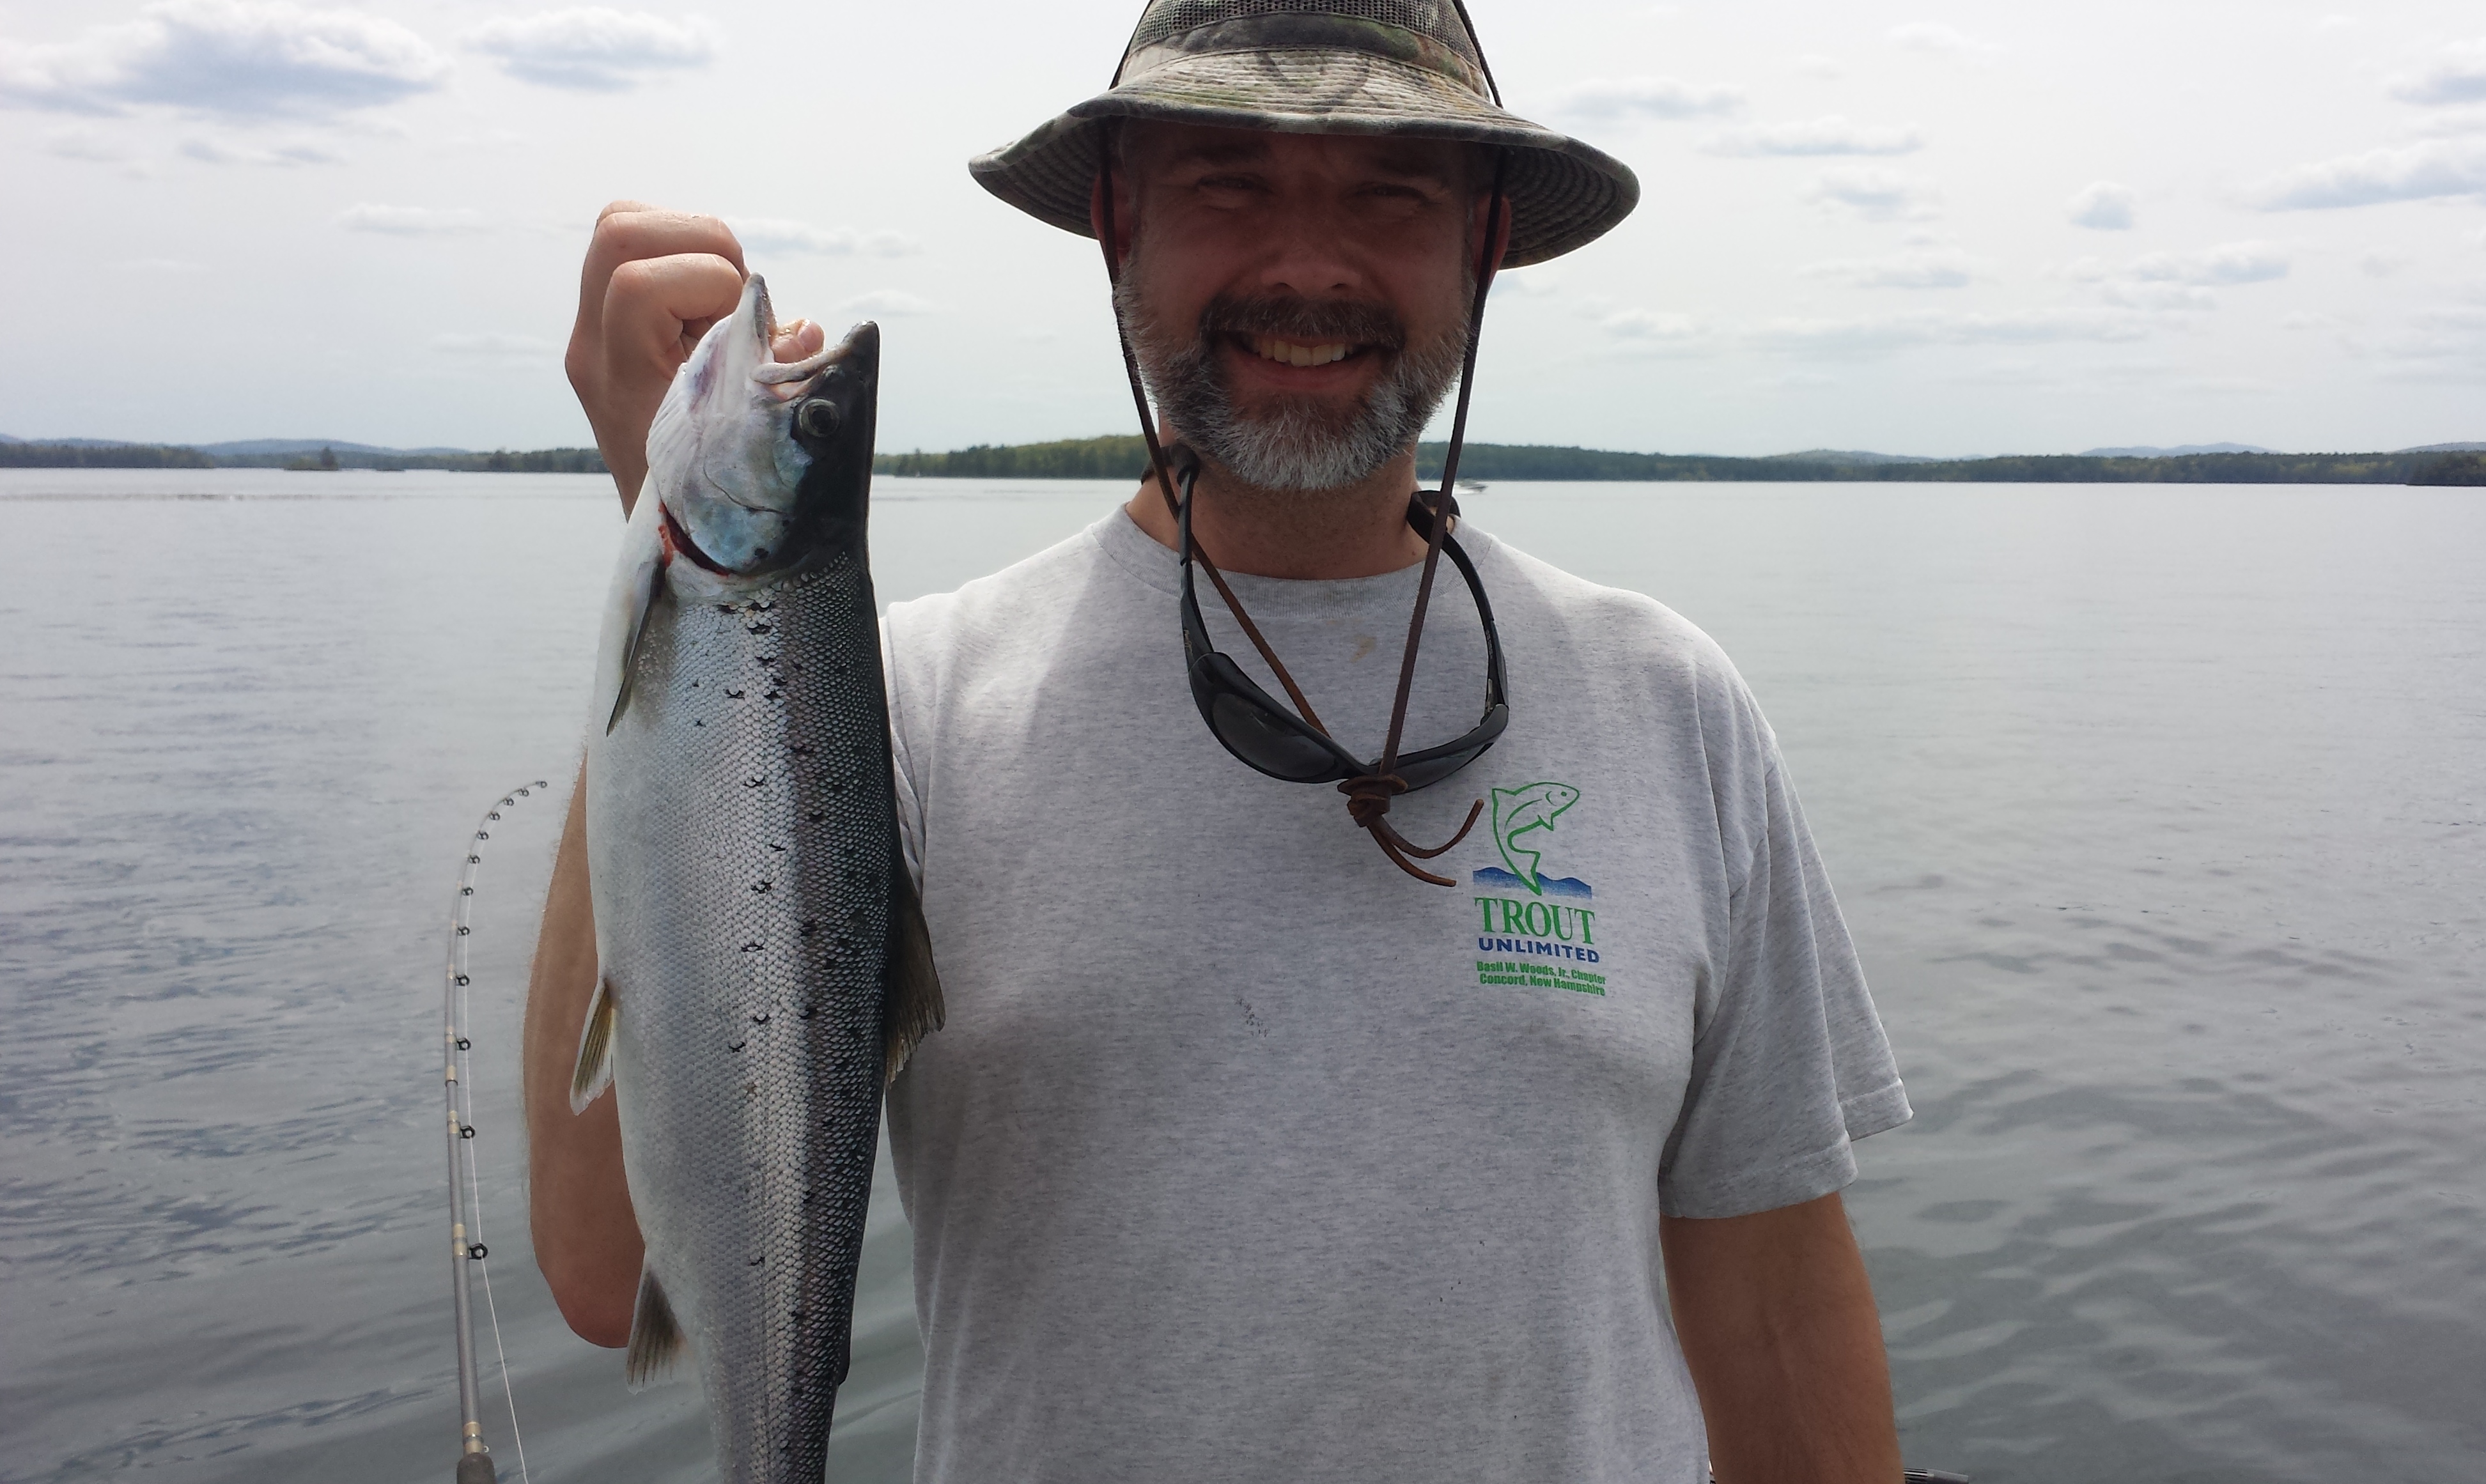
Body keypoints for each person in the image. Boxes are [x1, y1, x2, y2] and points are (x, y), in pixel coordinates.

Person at [524, 3, 1913, 1481]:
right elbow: (609, 1269)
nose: (1308, 264)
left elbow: (1776, 1313)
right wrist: (678, 582)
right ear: (1119, 225)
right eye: (1227, 181)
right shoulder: (897, 712)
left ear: (1485, 240)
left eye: (1392, 190)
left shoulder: (1672, 705)